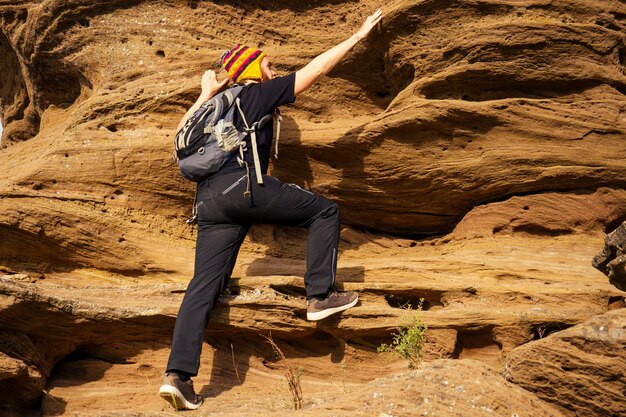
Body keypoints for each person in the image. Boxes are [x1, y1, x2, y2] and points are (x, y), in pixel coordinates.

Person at [159, 9, 383, 411]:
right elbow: (314, 71)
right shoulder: (254, 93)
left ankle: (178, 377)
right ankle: (320, 296)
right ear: (248, 68)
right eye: (266, 62)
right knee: (325, 211)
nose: (272, 67)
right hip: (244, 188)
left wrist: (204, 93)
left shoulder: (215, 104)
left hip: (209, 203)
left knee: (203, 287)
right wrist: (356, 36)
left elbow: (179, 138)